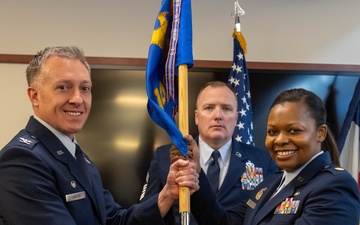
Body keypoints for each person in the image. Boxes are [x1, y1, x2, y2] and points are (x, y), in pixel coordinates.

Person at [0, 46, 200, 225]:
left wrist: (167, 194)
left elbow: (115, 220)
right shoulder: (22, 159)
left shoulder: (79, 158)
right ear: (34, 96)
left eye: (85, 88)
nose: (78, 99)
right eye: (63, 87)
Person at [190, 88, 360, 225]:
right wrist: (196, 173)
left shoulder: (335, 186)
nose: (280, 140)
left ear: (320, 133)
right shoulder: (271, 183)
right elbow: (225, 222)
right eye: (273, 132)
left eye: (294, 130)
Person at [139, 81, 278, 225]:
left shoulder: (263, 160)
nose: (218, 115)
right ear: (196, 117)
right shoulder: (166, 157)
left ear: (236, 118)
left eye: (226, 108)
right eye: (209, 108)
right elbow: (147, 214)